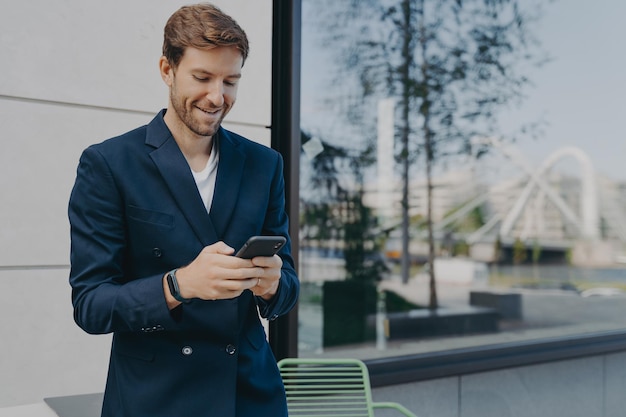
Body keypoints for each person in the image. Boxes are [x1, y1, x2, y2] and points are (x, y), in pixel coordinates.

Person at [68, 3, 299, 416]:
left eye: (230, 81)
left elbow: (288, 289)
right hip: (156, 398)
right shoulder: (109, 163)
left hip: (247, 396)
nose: (217, 96)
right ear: (166, 69)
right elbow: (91, 304)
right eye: (202, 77)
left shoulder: (266, 165)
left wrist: (272, 285)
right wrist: (179, 285)